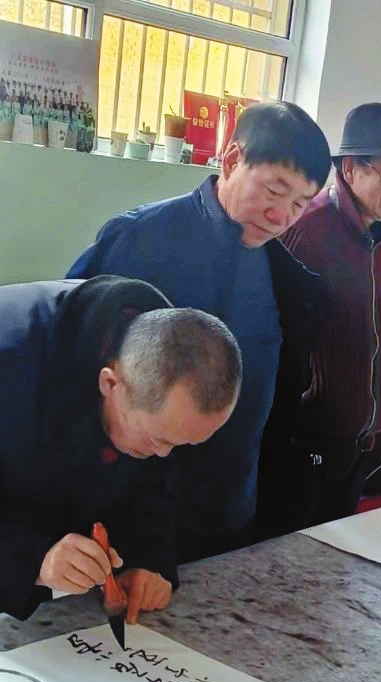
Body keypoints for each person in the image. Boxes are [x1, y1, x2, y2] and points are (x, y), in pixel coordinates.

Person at [66, 101, 331, 560]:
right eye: (274, 191)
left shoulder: (285, 276)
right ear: (232, 160)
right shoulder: (138, 240)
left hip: (230, 517)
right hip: (126, 522)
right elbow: (70, 370)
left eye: (298, 204)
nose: (281, 216)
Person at [0, 276, 241, 621]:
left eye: (182, 444)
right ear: (109, 382)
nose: (165, 454)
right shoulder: (12, 364)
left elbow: (154, 485)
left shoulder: (163, 362)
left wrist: (147, 561)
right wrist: (32, 561)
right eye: (159, 440)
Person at [259, 103, 381, 536]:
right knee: (286, 561)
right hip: (303, 447)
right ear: (352, 168)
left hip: (357, 444)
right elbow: (272, 334)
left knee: (336, 558)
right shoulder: (307, 227)